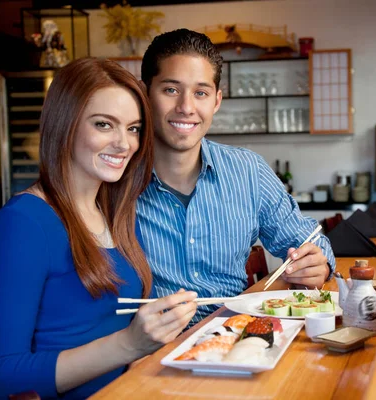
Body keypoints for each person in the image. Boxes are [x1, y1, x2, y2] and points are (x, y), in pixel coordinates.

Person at [0, 57, 197, 399]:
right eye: (104, 125)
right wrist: (129, 344)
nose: (124, 144)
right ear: (65, 124)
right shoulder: (23, 224)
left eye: (133, 128)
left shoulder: (118, 217)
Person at [137, 29, 336, 326]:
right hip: (151, 353)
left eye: (200, 93)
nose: (187, 108)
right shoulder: (117, 180)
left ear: (216, 101)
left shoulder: (248, 172)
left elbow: (308, 240)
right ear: (144, 94)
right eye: (171, 90)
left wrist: (318, 264)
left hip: (234, 337)